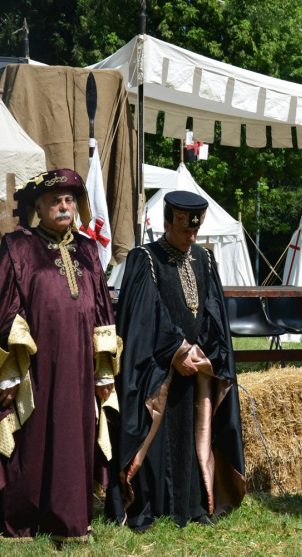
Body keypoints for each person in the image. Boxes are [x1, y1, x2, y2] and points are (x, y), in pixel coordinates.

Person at [109, 191, 245, 530]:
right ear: (167, 223)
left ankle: (195, 505)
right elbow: (142, 316)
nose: (190, 238)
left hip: (197, 371)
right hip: (158, 370)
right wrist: (176, 351)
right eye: (184, 231)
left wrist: (206, 354)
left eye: (195, 232)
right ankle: (150, 507)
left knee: (195, 436)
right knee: (157, 437)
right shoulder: (145, 258)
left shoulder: (205, 259)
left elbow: (214, 311)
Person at [0, 169, 120, 542]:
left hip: (82, 368)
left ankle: (70, 521)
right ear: (39, 207)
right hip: (37, 369)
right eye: (56, 201)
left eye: (70, 200)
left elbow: (103, 313)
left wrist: (104, 372)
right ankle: (24, 519)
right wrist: (9, 371)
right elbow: (5, 309)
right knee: (34, 442)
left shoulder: (87, 251)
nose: (64, 206)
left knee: (75, 437)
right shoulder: (18, 247)